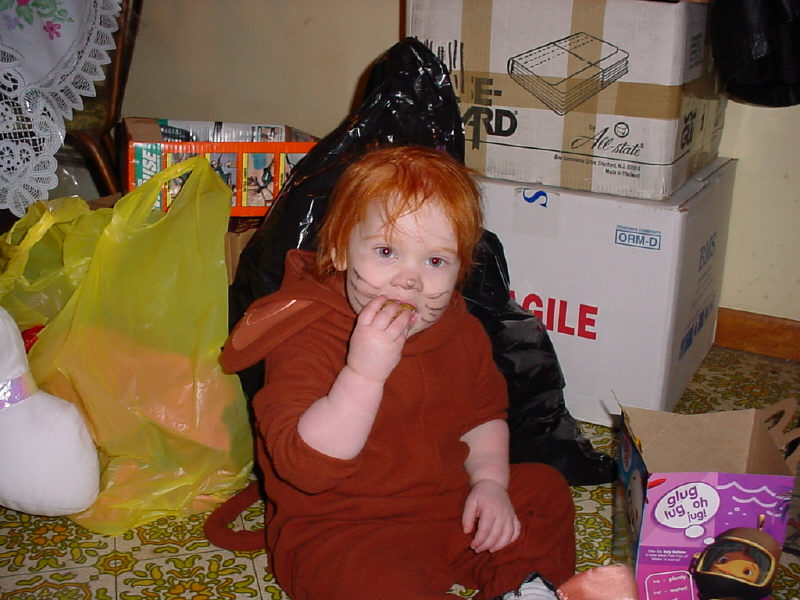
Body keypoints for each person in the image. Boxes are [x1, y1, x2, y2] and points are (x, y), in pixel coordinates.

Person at [221, 145, 577, 600]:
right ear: (340, 250)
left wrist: (490, 484)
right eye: (386, 251)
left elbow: (484, 416)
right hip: (345, 527)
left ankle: (526, 587)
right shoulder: (306, 333)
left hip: (448, 507)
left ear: (461, 269)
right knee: (361, 579)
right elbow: (306, 469)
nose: (410, 279)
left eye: (435, 261)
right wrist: (363, 374)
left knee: (543, 491)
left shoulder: (462, 329)